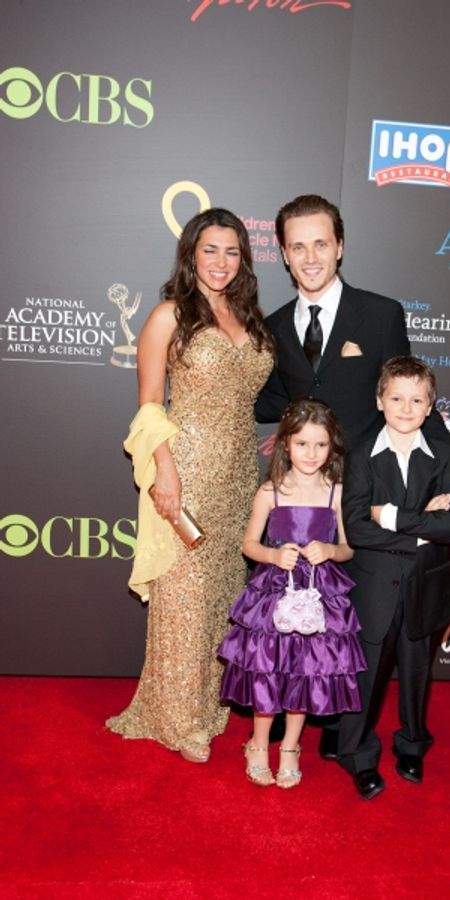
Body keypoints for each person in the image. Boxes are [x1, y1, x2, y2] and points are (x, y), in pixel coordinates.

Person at [254, 193, 450, 754]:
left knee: (354, 612)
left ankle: (338, 724)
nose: (310, 257)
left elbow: (409, 395)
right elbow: (270, 398)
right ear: (283, 253)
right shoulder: (273, 327)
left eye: (320, 243)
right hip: (306, 490)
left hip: (368, 489)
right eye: (298, 246)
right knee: (298, 597)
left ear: (340, 247)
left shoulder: (380, 314)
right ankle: (297, 703)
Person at [106, 208, 274, 763]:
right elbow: (149, 405)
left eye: (232, 251)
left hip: (240, 475)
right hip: (188, 471)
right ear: (191, 255)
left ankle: (207, 705)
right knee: (185, 598)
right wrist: (165, 470)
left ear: (243, 259)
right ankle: (177, 720)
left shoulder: (249, 318)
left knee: (223, 595)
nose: (221, 262)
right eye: (210, 250)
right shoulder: (169, 315)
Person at [218, 399, 366, 788]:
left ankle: (290, 747)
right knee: (267, 671)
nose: (311, 453)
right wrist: (271, 554)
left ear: (332, 447)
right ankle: (258, 743)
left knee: (306, 672)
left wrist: (330, 550)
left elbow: (349, 548)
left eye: (320, 445)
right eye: (302, 444)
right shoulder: (270, 492)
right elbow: (249, 544)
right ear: (286, 443)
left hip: (320, 595)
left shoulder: (336, 493)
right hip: (274, 592)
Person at [338, 356, 450, 799]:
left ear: (430, 407)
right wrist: (420, 525)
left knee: (417, 673)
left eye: (416, 400)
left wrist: (390, 515)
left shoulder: (445, 455)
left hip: (424, 583)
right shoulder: (360, 454)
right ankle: (356, 753)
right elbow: (357, 528)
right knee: (366, 676)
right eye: (396, 398)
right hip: (374, 586)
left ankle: (412, 745)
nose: (406, 408)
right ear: (380, 401)